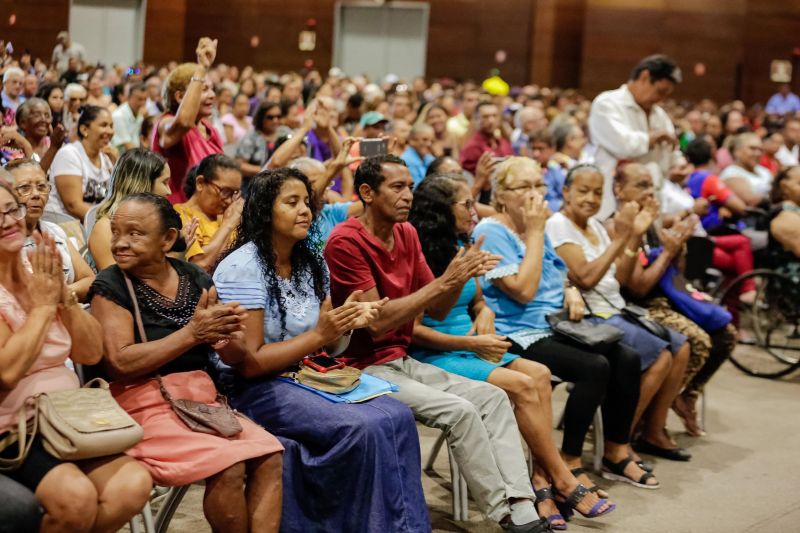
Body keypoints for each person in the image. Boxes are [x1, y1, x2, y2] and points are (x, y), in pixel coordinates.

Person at [325, 155, 555, 533]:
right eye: (397, 187)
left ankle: (523, 505)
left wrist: (458, 276)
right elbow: (378, 324)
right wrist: (445, 281)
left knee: (493, 398)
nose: (407, 196)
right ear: (366, 192)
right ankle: (504, 514)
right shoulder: (345, 241)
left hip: (401, 360)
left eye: (410, 187)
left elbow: (437, 306)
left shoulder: (406, 233)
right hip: (362, 367)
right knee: (460, 410)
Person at [211, 168, 429, 533]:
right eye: (291, 202)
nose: (305, 211)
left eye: (306, 202)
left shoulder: (310, 261)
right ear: (265, 210)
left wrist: (345, 324)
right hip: (252, 387)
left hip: (307, 374)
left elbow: (328, 343)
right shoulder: (243, 268)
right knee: (361, 428)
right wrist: (319, 335)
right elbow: (250, 364)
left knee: (398, 416)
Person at [409, 175, 616, 529]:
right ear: (442, 210)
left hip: (473, 341)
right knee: (522, 384)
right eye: (467, 204)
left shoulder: (464, 241)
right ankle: (561, 480)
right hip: (437, 351)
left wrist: (484, 311)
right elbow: (416, 329)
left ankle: (541, 480)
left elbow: (476, 299)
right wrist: (469, 340)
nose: (475, 211)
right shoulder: (420, 253)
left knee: (539, 373)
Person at [89, 193, 284, 532]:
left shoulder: (194, 277)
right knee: (229, 464)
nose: (119, 243)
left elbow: (236, 356)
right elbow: (120, 363)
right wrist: (192, 334)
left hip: (200, 402)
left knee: (270, 455)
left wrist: (225, 334)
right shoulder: (111, 284)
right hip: (143, 407)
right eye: (116, 232)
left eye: (134, 233)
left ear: (167, 239)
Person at [471, 158, 655, 490]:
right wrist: (536, 232)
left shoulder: (534, 227)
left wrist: (570, 289)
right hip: (516, 331)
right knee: (594, 366)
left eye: (539, 185)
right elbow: (524, 291)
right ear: (500, 195)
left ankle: (616, 450)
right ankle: (570, 459)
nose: (534, 194)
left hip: (554, 324)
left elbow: (561, 272)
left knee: (627, 358)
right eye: (524, 186)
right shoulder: (492, 231)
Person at [0, 182, 152, 532]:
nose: (7, 221)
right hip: (15, 427)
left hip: (69, 416)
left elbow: (90, 351)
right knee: (75, 498)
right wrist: (42, 308)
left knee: (132, 485)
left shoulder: (37, 271)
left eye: (11, 209)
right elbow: (7, 372)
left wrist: (64, 299)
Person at [545, 164, 692, 463]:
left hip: (617, 308)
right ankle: (620, 439)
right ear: (566, 191)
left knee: (682, 348)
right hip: (590, 316)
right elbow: (585, 278)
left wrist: (633, 235)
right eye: (583, 191)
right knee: (661, 355)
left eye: (597, 192)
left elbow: (622, 280)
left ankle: (652, 431)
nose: (590, 198)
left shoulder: (596, 226)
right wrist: (620, 238)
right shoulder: (558, 224)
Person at [611, 162, 739, 438]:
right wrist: (669, 252)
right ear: (619, 190)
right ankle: (649, 419)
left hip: (666, 299)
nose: (648, 192)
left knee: (726, 334)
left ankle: (685, 396)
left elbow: (676, 273)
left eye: (651, 186)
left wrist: (679, 246)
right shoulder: (617, 226)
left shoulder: (652, 223)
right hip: (638, 307)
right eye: (641, 185)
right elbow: (638, 289)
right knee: (698, 340)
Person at [588, 54, 683, 219]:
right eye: (660, 91)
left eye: (666, 94)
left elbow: (673, 151)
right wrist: (653, 137)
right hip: (614, 197)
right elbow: (622, 145)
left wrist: (680, 166)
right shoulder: (607, 103)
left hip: (651, 199)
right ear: (644, 77)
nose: (661, 99)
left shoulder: (660, 115)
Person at [6, 158, 95, 300]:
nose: (36, 194)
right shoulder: (6, 241)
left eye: (42, 187)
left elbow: (90, 280)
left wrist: (63, 293)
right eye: (25, 188)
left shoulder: (54, 231)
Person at [153, 37, 224, 203]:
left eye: (212, 89)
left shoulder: (210, 130)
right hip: (175, 211)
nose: (212, 95)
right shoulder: (166, 123)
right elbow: (184, 122)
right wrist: (202, 68)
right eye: (204, 89)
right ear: (179, 97)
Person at [88, 149, 175, 270]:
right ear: (143, 185)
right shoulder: (105, 229)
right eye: (165, 183)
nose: (169, 191)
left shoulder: (159, 225)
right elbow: (116, 280)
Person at [174, 153, 242, 272]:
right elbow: (199, 265)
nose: (229, 200)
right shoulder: (180, 215)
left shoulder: (227, 216)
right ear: (200, 183)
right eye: (225, 191)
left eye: (234, 193)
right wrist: (228, 224)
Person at [47, 105, 114, 221]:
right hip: (64, 224)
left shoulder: (105, 159)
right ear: (84, 130)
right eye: (103, 125)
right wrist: (109, 222)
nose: (110, 131)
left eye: (111, 126)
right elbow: (73, 206)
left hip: (93, 223)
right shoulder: (69, 154)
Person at [543, 122, 589, 212]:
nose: (585, 141)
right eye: (582, 137)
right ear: (570, 141)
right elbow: (550, 199)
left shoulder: (585, 158)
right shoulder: (554, 166)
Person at [720, 133, 773, 207]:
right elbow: (751, 200)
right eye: (752, 148)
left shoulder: (764, 171)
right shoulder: (731, 173)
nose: (758, 153)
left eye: (760, 150)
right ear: (737, 151)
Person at [460, 102, 513, 176]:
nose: (491, 121)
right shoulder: (471, 148)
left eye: (494, 116)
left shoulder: (504, 143)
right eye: (485, 117)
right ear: (476, 119)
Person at [235, 101, 284, 180]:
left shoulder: (285, 132)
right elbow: (240, 165)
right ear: (261, 118)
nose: (275, 120)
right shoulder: (251, 137)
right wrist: (266, 170)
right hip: (256, 181)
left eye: (278, 116)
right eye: (270, 117)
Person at [15, 97, 66, 173]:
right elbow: (35, 176)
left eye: (47, 116)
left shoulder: (59, 145)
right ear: (23, 123)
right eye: (37, 115)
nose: (43, 120)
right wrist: (53, 148)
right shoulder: (14, 148)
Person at [111, 82, 147, 153]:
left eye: (145, 99)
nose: (142, 103)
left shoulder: (141, 115)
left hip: (136, 153)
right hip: (122, 157)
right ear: (129, 98)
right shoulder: (118, 116)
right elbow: (128, 146)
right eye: (139, 99)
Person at [400, 123, 436, 188]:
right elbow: (417, 189)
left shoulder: (428, 157)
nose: (429, 144)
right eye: (425, 139)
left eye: (432, 141)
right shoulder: (406, 161)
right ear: (412, 140)